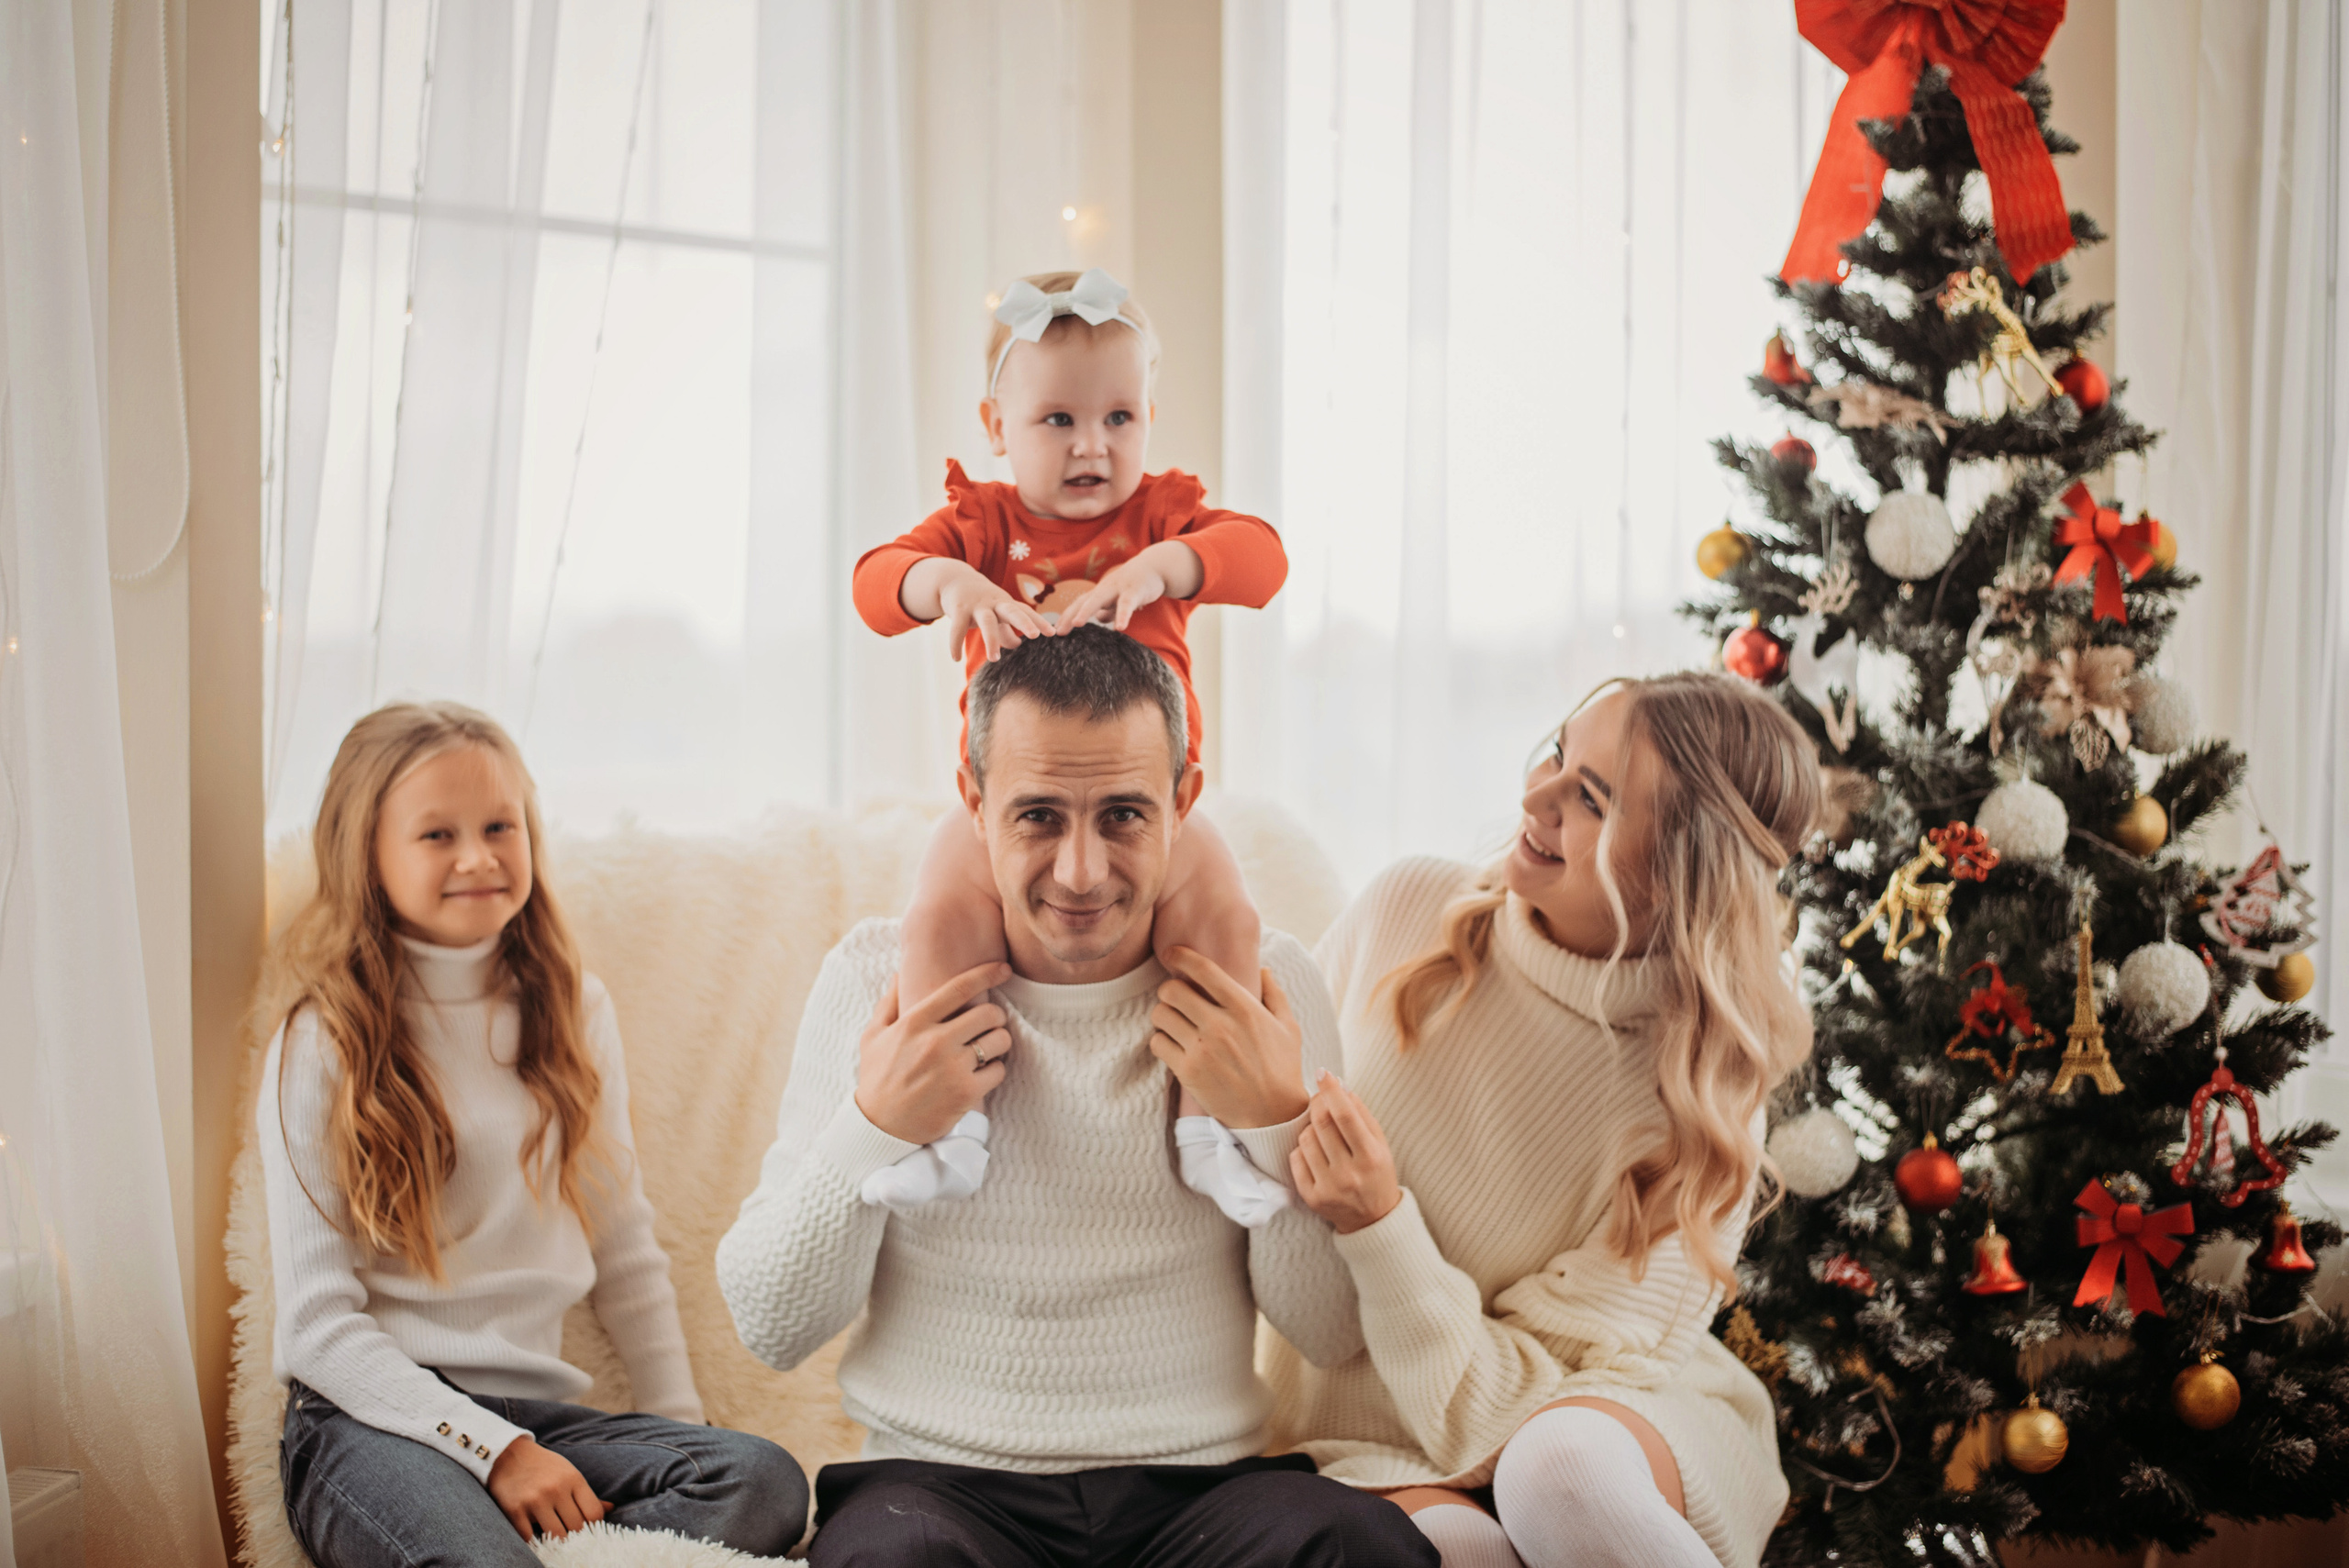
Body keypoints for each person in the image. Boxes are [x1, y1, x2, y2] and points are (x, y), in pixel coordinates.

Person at [717, 626, 1438, 1568]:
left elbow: (1326, 1330)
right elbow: (772, 1324)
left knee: (1360, 1543)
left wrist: (1271, 1117)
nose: (1081, 872)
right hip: (939, 1486)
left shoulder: (1268, 988)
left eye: (1125, 815)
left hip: (1201, 1488)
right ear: (974, 801)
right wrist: (873, 1127)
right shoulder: (872, 980)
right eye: (1039, 816)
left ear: (1184, 800)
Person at [1268, 673, 1822, 1568]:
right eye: (1557, 754)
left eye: (1591, 798)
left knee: (1558, 1471)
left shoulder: (1705, 1090)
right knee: (1454, 1544)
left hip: (1578, 1417)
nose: (1535, 798)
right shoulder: (1408, 907)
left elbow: (1511, 1416)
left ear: (1678, 870)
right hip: (1356, 1418)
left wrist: (1378, 1220)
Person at [256, 702, 806, 1566]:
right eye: (437, 834)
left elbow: (624, 1249)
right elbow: (316, 1327)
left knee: (762, 1482)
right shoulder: (325, 1038)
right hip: (373, 1420)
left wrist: (678, 1427)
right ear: (366, 854)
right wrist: (493, 1452)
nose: (478, 856)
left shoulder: (574, 1010)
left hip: (542, 1420)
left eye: (499, 826)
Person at [849, 267, 1288, 1224]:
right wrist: (945, 584)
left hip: (1145, 809)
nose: (1093, 444)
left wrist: (1167, 566)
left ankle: (1207, 1132)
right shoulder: (982, 526)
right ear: (996, 426)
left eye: (1120, 418)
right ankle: (951, 1131)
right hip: (1015, 811)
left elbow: (1264, 561)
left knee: (1225, 917)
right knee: (936, 923)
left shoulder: (1160, 518)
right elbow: (873, 584)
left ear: (1149, 419)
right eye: (1058, 420)